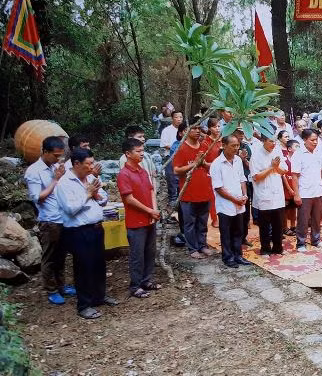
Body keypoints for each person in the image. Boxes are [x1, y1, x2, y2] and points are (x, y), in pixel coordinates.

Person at [56, 148, 116, 319]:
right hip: (79, 231)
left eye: (92, 163)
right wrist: (87, 194)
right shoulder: (64, 183)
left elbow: (104, 199)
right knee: (83, 267)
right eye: (88, 164)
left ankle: (99, 296)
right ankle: (84, 305)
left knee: (99, 264)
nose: (91, 167)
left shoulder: (90, 178)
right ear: (76, 163)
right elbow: (70, 208)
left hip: (97, 228)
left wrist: (96, 195)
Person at [24, 136, 75, 305]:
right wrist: (55, 179)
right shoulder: (34, 171)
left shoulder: (54, 167)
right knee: (50, 256)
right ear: (45, 152)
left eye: (61, 155)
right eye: (55, 155)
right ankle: (51, 289)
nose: (58, 159)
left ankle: (62, 285)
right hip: (49, 220)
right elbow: (38, 197)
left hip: (62, 218)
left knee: (61, 255)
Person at [117, 138, 162, 299]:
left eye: (143, 150)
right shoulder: (124, 174)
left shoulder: (142, 171)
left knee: (150, 251)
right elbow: (129, 199)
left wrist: (154, 210)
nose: (142, 154)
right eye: (138, 151)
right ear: (128, 154)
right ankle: (135, 286)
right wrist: (149, 210)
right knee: (137, 255)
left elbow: (151, 190)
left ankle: (147, 280)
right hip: (136, 221)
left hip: (149, 218)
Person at [211, 135, 253, 268]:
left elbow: (242, 179)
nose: (236, 148)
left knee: (238, 231)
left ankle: (238, 255)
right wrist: (235, 199)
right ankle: (228, 257)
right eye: (233, 146)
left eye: (237, 145)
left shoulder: (238, 160)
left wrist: (244, 195)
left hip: (239, 202)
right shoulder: (217, 164)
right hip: (225, 204)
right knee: (226, 232)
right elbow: (219, 188)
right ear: (224, 145)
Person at [173, 124, 214, 259]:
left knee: (202, 221)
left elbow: (211, 165)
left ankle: (202, 245)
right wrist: (194, 164)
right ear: (186, 130)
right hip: (188, 193)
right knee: (190, 223)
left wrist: (204, 164)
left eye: (199, 129)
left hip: (205, 190)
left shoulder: (204, 146)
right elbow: (176, 170)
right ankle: (193, 248)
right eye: (194, 128)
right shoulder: (181, 148)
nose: (197, 131)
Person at [251, 126, 290, 255]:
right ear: (263, 141)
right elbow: (256, 177)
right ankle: (265, 249)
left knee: (278, 224)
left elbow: (284, 171)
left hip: (277, 193)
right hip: (264, 194)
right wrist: (271, 167)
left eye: (275, 141)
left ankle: (278, 248)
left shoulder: (277, 151)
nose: (273, 144)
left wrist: (276, 167)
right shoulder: (256, 155)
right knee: (265, 225)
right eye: (270, 141)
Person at [291, 129, 322, 252]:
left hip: (318, 190)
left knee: (317, 218)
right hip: (305, 192)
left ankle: (316, 240)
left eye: (316, 140)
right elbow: (294, 176)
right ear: (304, 140)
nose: (315, 142)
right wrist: (296, 194)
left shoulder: (318, 152)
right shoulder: (298, 154)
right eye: (312, 140)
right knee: (303, 219)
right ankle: (301, 243)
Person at [233, 128, 254, 245]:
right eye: (238, 133)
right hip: (232, 182)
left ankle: (243, 237)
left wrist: (244, 159)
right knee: (234, 211)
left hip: (245, 181)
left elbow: (251, 166)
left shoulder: (246, 147)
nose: (241, 136)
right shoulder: (228, 147)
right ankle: (233, 237)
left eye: (242, 133)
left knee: (245, 211)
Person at [201, 117, 223, 228]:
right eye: (215, 127)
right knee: (213, 197)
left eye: (219, 126)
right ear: (209, 128)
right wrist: (215, 165)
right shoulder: (205, 142)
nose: (217, 128)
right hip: (210, 173)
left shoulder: (223, 140)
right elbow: (203, 162)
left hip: (224, 172)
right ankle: (215, 218)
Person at [161, 110, 184, 207]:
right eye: (176, 117)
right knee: (171, 178)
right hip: (170, 157)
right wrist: (177, 148)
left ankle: (182, 198)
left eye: (180, 117)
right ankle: (172, 199)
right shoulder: (167, 130)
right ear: (172, 118)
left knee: (181, 177)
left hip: (183, 157)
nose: (179, 119)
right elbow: (165, 144)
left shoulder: (185, 130)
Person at [281, 139, 300, 236]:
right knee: (285, 209)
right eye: (296, 146)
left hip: (296, 188)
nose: (298, 148)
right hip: (286, 189)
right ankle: (285, 227)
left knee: (293, 208)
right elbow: (283, 176)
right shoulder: (284, 160)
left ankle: (293, 226)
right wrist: (289, 188)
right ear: (289, 149)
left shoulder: (299, 160)